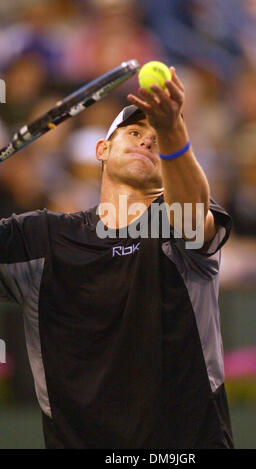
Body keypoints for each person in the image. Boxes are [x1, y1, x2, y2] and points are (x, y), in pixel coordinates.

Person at [0, 67, 233, 449]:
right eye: (135, 133)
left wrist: (172, 129)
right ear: (102, 150)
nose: (147, 143)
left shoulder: (176, 223)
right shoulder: (39, 237)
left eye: (157, 140)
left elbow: (192, 216)